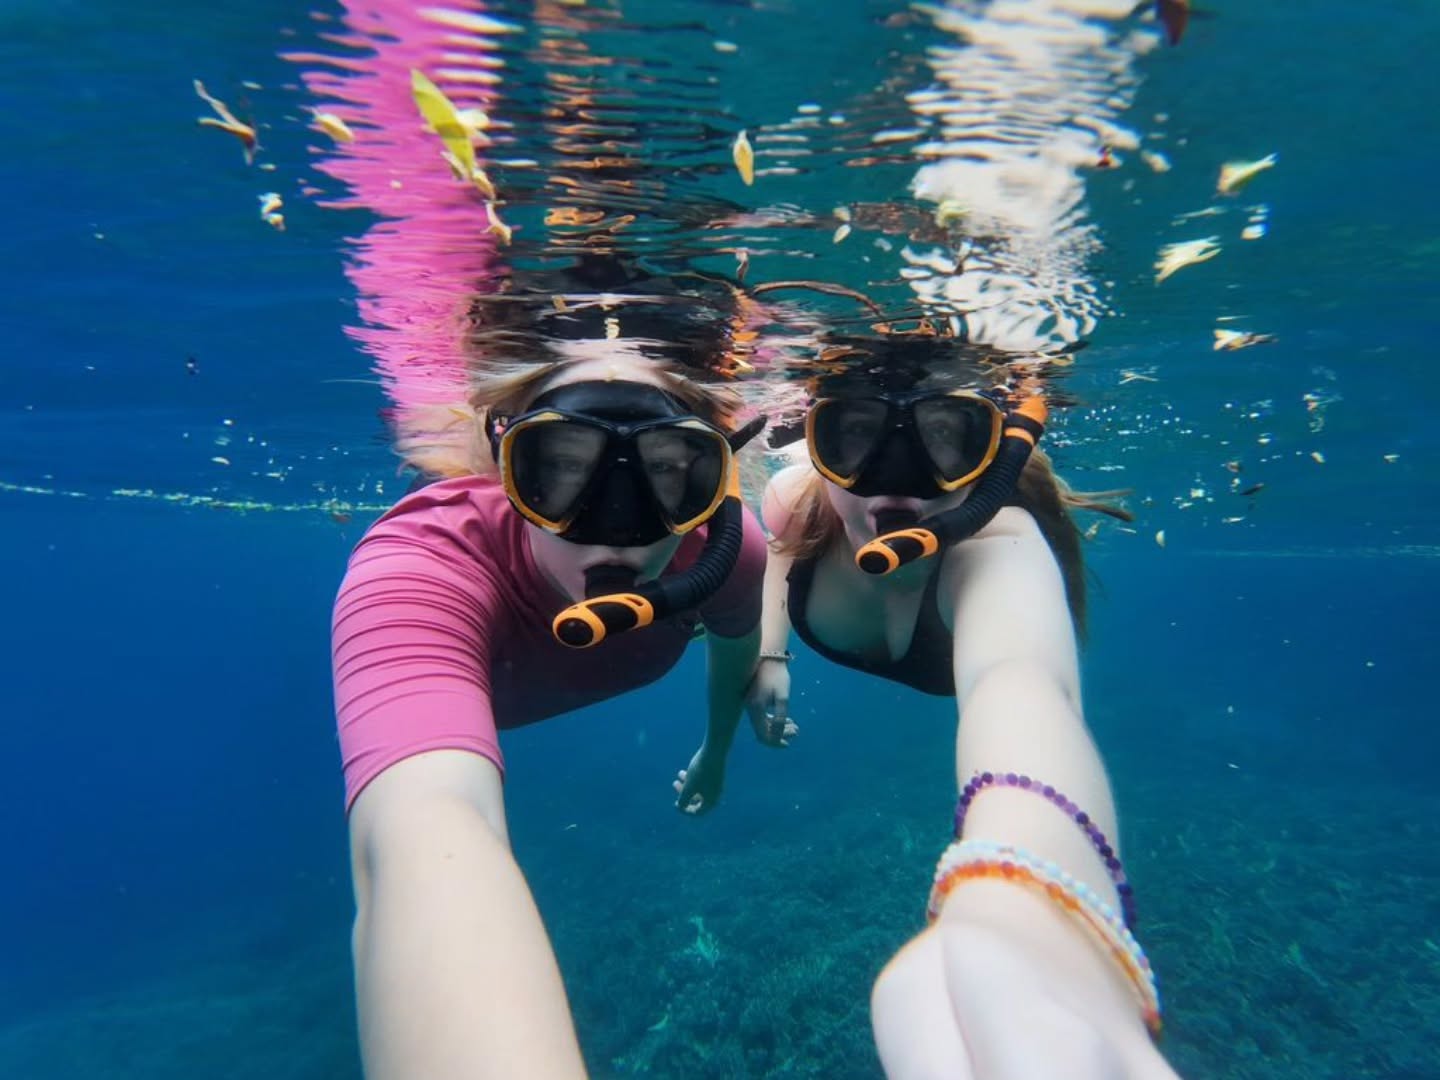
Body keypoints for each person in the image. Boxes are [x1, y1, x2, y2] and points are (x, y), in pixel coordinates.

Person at [329, 277, 784, 1079]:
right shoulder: (419, 570)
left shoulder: (724, 550)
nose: (618, 524)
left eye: (665, 471)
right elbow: (422, 835)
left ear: (708, 477)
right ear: (510, 463)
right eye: (563, 468)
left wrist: (717, 750)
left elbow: (733, 646)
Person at [744, 334, 1181, 1079]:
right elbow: (779, 553)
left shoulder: (998, 542)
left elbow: (1020, 681)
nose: (896, 482)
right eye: (855, 434)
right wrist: (769, 654)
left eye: (944, 435)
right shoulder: (798, 499)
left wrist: (1031, 913)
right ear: (819, 439)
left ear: (991, 451)